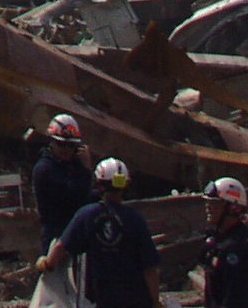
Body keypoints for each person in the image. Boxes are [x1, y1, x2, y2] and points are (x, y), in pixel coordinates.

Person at [37, 157, 160, 308]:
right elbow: (149, 268)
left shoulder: (86, 215)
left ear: (99, 184)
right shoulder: (135, 220)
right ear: (125, 185)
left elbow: (61, 248)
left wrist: (48, 263)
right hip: (135, 300)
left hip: (99, 300)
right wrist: (155, 302)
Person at [33, 114, 94, 247]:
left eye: (70, 145)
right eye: (61, 144)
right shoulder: (44, 169)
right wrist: (86, 172)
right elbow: (72, 197)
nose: (66, 149)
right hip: (56, 237)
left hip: (78, 236)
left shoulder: (74, 166)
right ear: (51, 141)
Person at [202, 178, 248, 308]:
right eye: (207, 202)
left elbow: (234, 298)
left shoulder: (233, 248)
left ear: (233, 208)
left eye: (214, 203)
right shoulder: (244, 235)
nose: (207, 207)